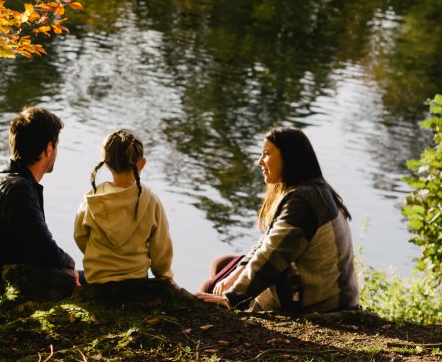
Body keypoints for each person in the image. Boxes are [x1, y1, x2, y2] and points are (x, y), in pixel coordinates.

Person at [195, 126, 359, 313]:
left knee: (208, 288)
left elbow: (272, 257)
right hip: (332, 295)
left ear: (289, 158)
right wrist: (236, 274)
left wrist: (232, 299)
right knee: (223, 265)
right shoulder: (313, 190)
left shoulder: (303, 202)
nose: (259, 162)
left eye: (267, 154)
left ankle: (202, 328)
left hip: (321, 304)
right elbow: (267, 242)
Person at [0, 107, 77, 311]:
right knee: (86, 279)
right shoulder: (18, 189)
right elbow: (45, 251)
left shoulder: (1, 180)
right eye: (57, 146)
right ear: (48, 149)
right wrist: (71, 263)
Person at [74, 129, 174, 284]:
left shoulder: (92, 199)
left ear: (106, 164)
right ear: (142, 163)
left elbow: (80, 237)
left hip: (97, 279)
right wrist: (165, 276)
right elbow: (161, 251)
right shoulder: (150, 201)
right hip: (136, 281)